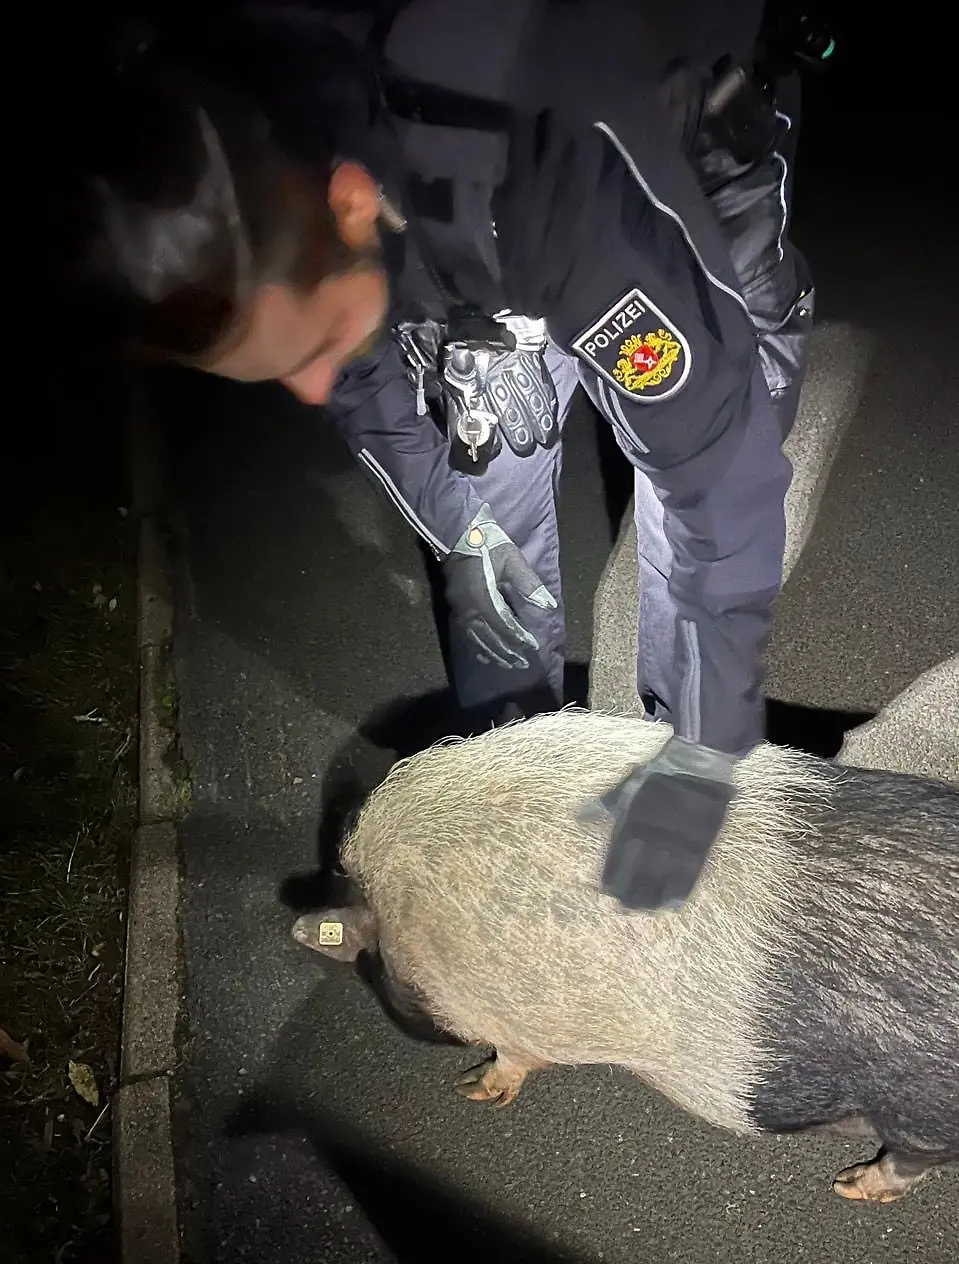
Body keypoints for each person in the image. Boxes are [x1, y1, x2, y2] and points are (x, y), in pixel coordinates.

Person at [62, 0, 825, 912]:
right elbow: (360, 380)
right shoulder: (256, 138)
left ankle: (684, 772)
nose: (311, 394)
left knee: (696, 493)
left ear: (351, 202)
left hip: (677, 147)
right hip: (456, 214)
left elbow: (718, 476)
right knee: (485, 493)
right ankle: (522, 795)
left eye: (316, 348)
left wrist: (709, 752)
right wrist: (460, 527)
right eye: (282, 369)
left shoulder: (543, 189)